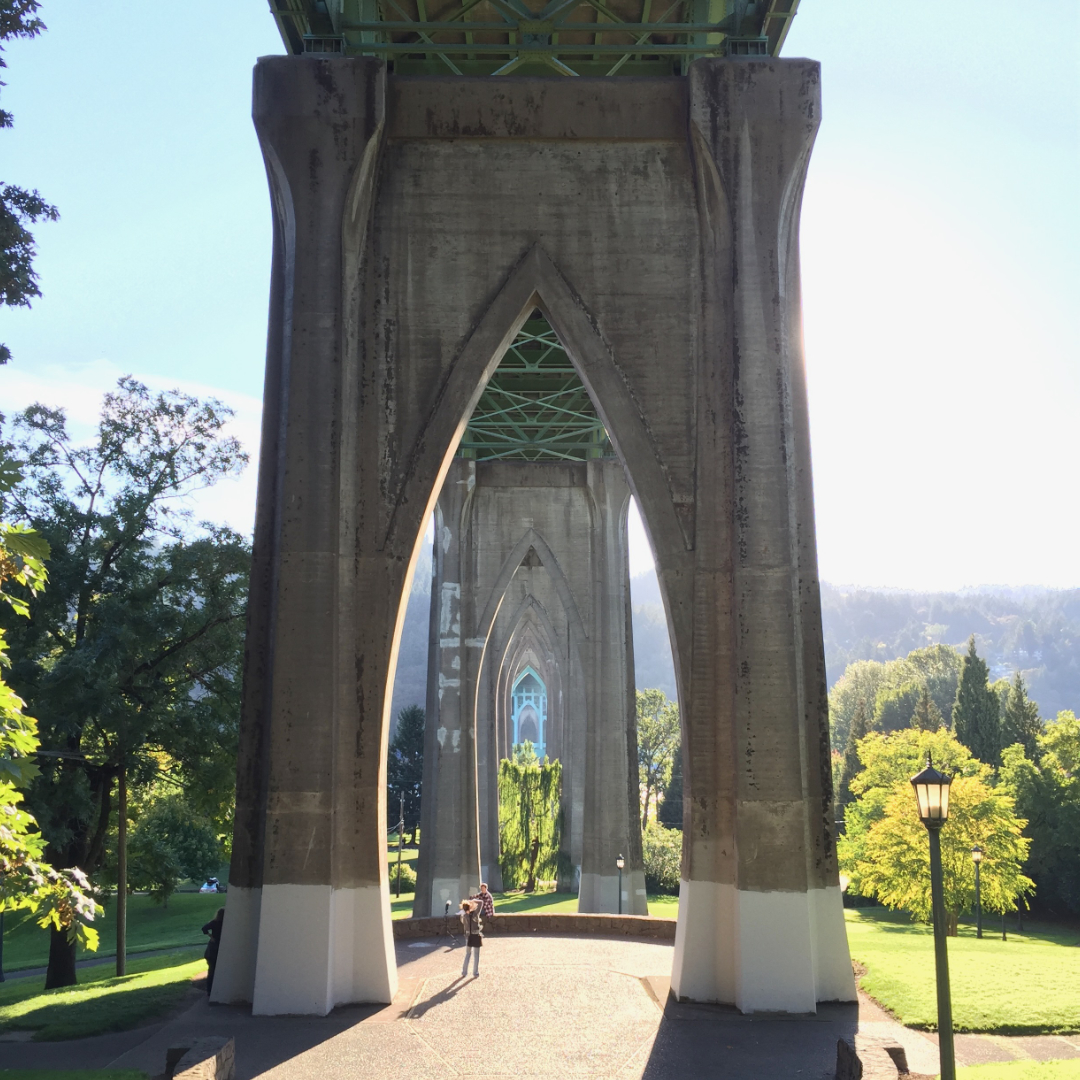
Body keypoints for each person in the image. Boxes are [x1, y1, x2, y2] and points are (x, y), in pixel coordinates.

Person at [202, 907, 225, 996]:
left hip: (212, 948)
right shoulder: (225, 924)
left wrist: (211, 936)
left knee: (211, 970)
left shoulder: (214, 922)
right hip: (219, 947)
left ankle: (209, 990)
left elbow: (204, 928)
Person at [457, 898, 482, 978]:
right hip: (476, 935)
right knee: (476, 955)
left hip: (468, 936)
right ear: (470, 907)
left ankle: (464, 972)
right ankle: (475, 972)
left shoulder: (463, 916)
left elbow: (463, 922)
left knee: (468, 954)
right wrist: (473, 901)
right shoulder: (475, 914)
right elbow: (481, 902)